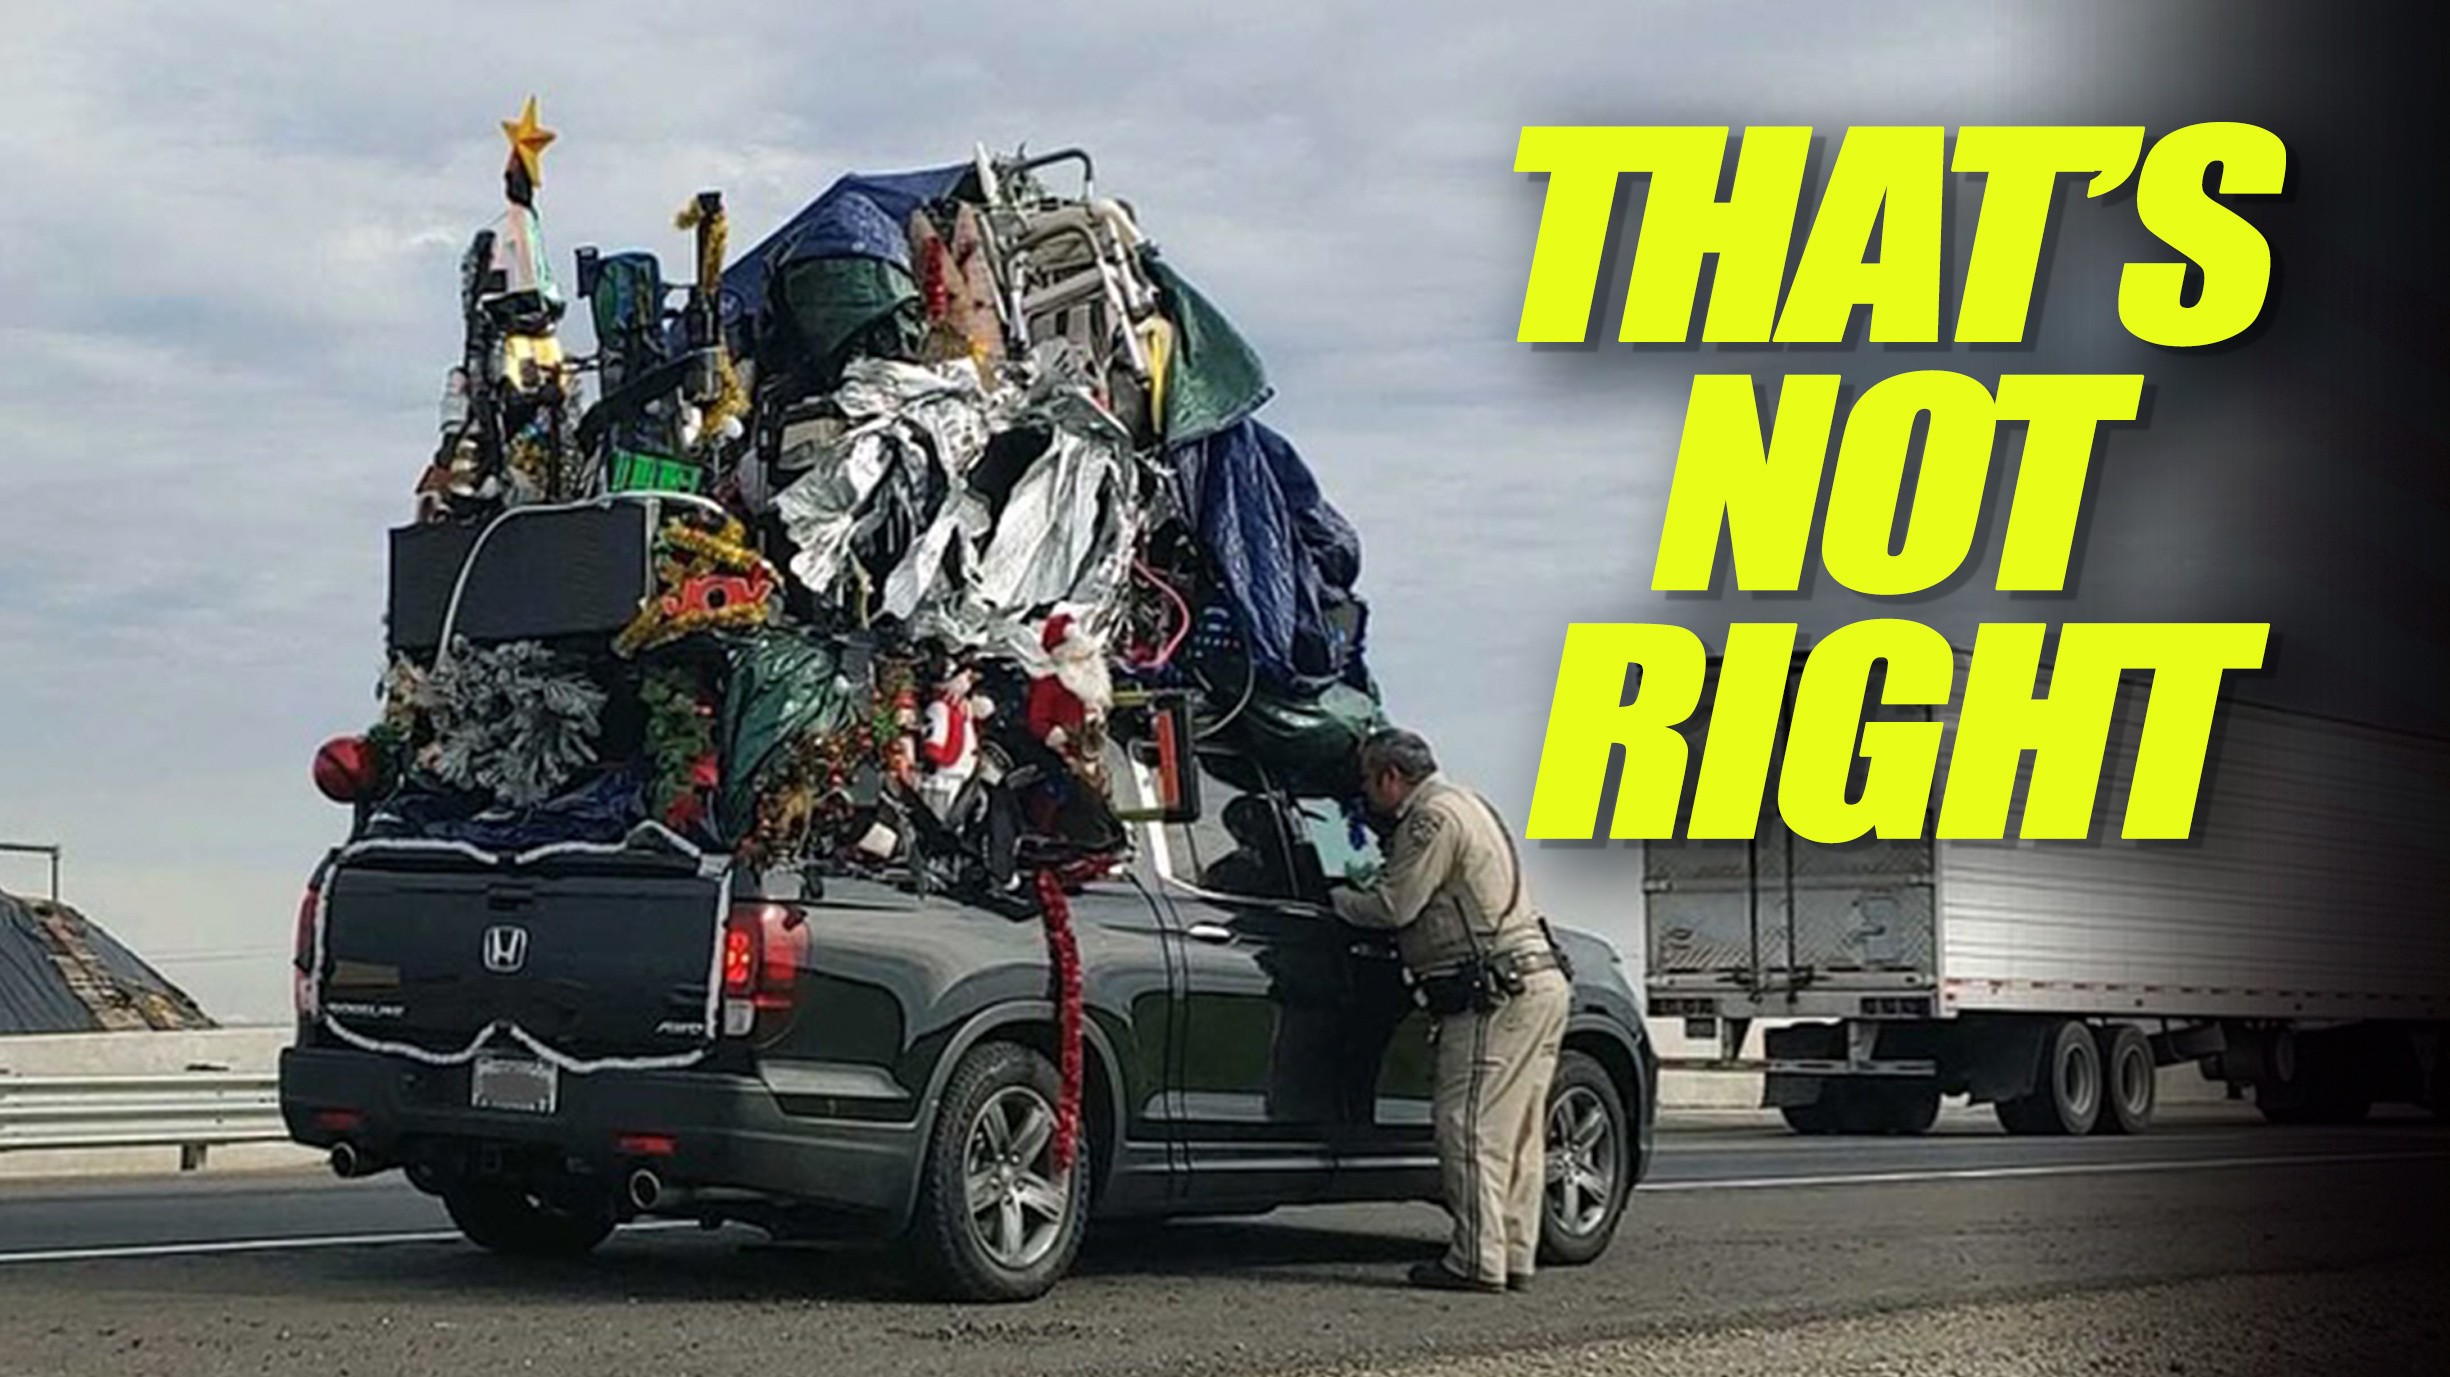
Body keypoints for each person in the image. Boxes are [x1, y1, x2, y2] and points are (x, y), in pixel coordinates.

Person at [1331, 727, 1571, 1295]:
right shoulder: (1470, 804)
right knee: (1518, 1133)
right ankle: (1512, 1255)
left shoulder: (1430, 818)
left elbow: (1395, 905)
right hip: (1537, 980)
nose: (1365, 795)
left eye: (1368, 782)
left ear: (1391, 777)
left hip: (1492, 993)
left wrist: (1335, 897)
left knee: (1468, 1125)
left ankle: (1475, 1262)